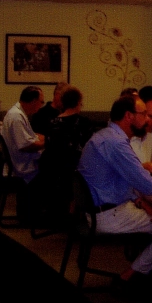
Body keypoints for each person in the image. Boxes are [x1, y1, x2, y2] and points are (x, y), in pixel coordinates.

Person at [77, 95, 152, 288]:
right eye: (144, 114)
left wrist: (140, 202)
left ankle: (135, 274)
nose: (147, 120)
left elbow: (117, 182)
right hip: (108, 216)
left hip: (99, 211)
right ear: (129, 116)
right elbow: (149, 186)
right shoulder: (116, 144)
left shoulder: (106, 136)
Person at [38, 85, 95, 220]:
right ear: (78, 102)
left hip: (51, 169)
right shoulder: (84, 123)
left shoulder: (52, 122)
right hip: (73, 171)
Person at [0, 85, 45, 184]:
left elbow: (31, 136)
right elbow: (26, 145)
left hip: (21, 160)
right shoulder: (16, 117)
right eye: (41, 102)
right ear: (34, 101)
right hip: (23, 166)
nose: (41, 106)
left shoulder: (17, 113)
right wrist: (49, 142)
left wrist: (46, 138)